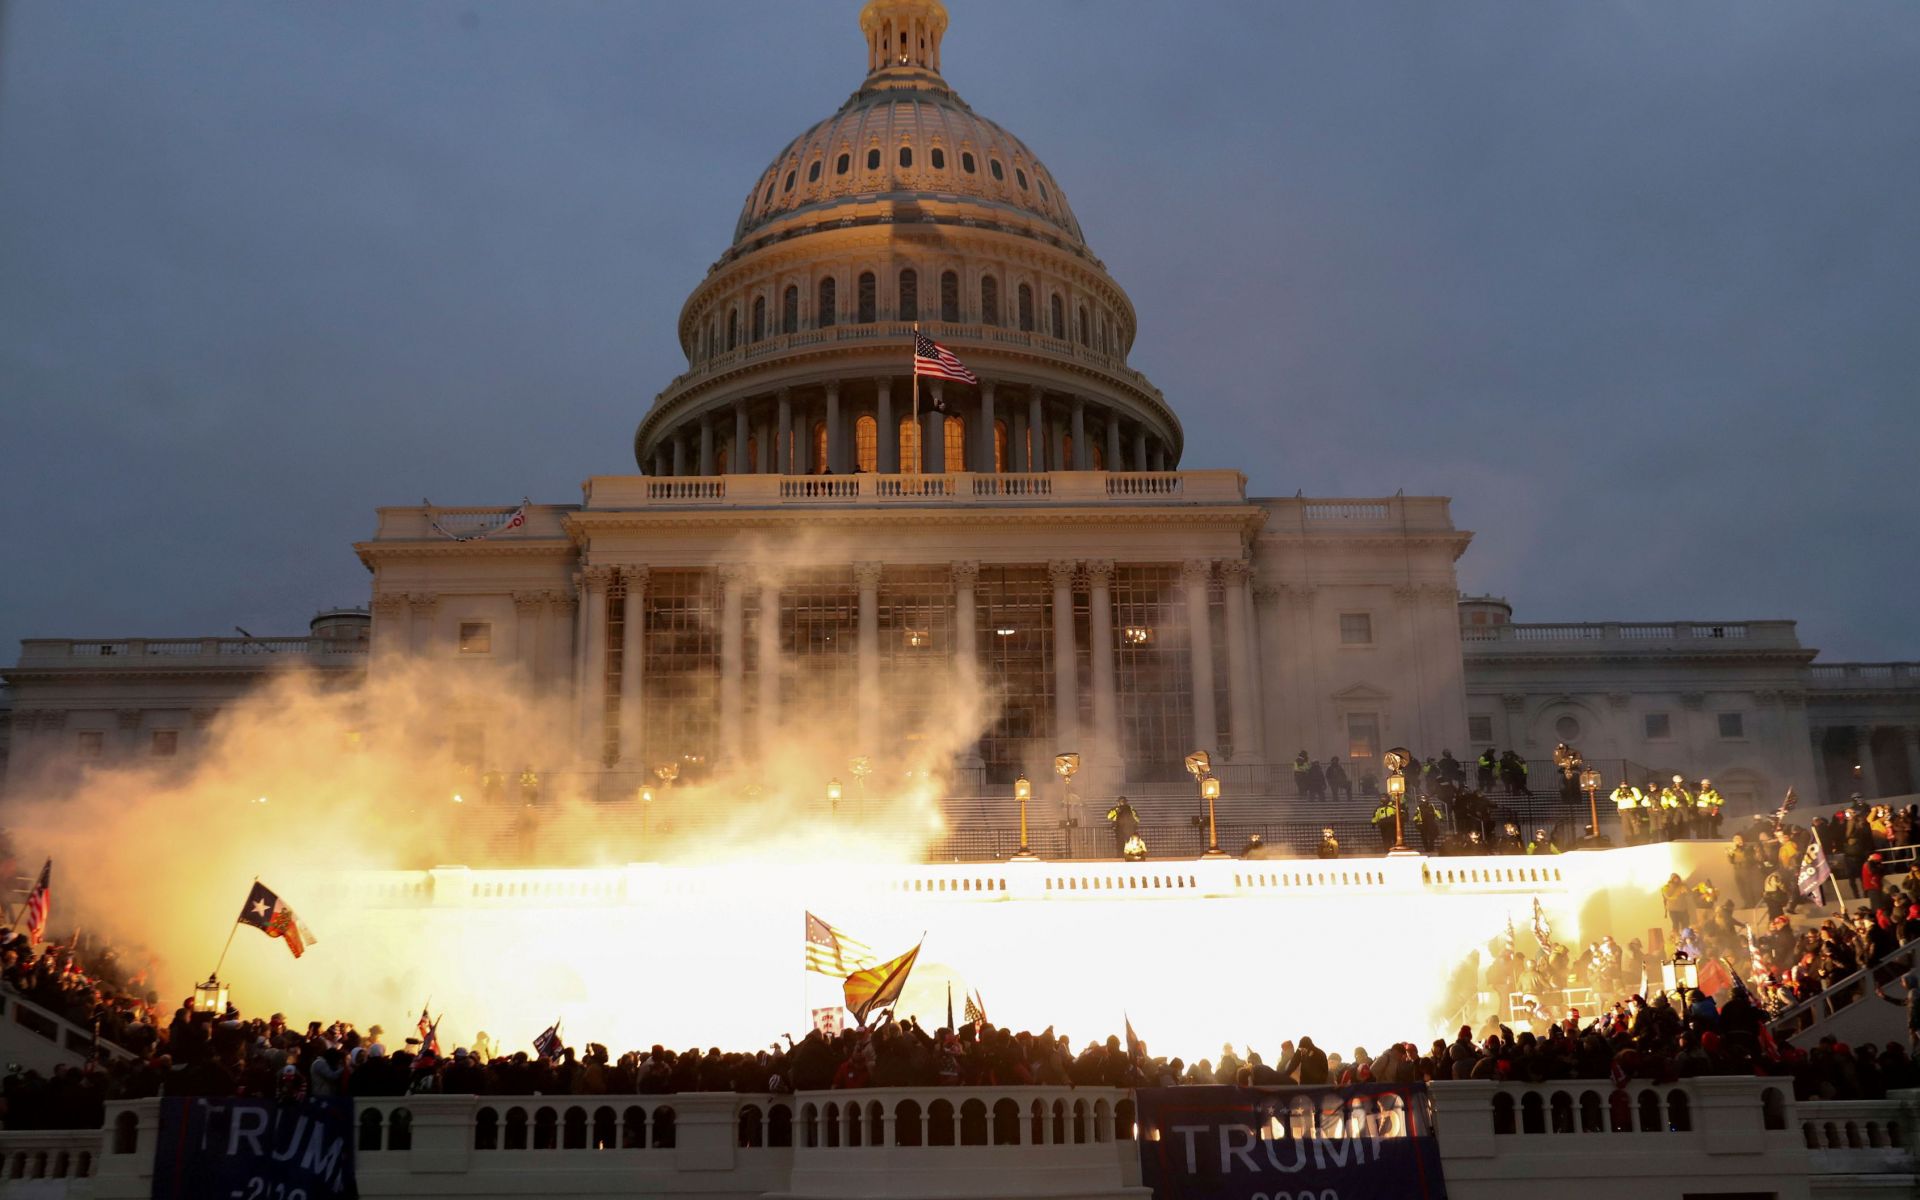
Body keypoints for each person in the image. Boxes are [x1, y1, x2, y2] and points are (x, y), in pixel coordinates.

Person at [1613, 780, 1645, 844]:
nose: (1623, 786)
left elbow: (1639, 797)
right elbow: (1612, 798)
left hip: (1631, 811)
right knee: (1626, 827)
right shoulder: (1619, 792)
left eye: (1625, 785)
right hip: (1623, 812)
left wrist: (1634, 790)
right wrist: (1616, 791)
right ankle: (1629, 841)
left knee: (1635, 826)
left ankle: (1637, 840)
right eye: (1622, 785)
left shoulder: (1631, 791)